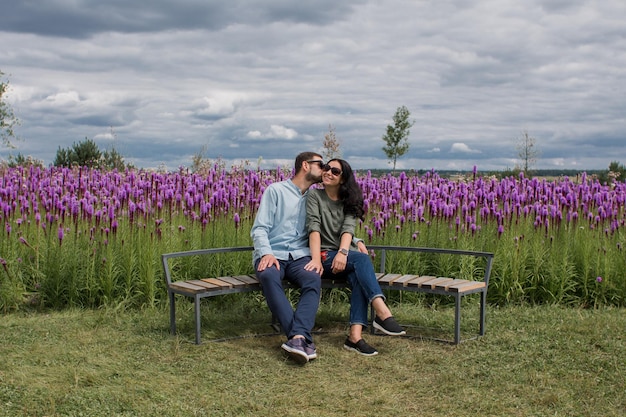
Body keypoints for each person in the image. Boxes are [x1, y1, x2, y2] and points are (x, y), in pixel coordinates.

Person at [306, 158, 405, 356]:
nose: (328, 172)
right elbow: (313, 227)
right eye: (326, 168)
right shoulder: (314, 196)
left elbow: (348, 229)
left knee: (359, 276)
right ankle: (382, 312)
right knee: (360, 259)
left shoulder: (349, 201)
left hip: (343, 256)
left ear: (343, 179)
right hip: (324, 255)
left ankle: (355, 337)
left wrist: (344, 252)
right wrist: (318, 258)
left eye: (335, 171)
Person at [250, 151, 326, 365]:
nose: (324, 169)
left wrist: (356, 240)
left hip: (300, 256)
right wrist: (266, 252)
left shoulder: (315, 197)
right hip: (273, 253)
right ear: (305, 165)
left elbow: (331, 227)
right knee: (268, 275)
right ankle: (298, 337)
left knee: (313, 278)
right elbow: (259, 229)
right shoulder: (275, 191)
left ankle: (297, 337)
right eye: (320, 165)